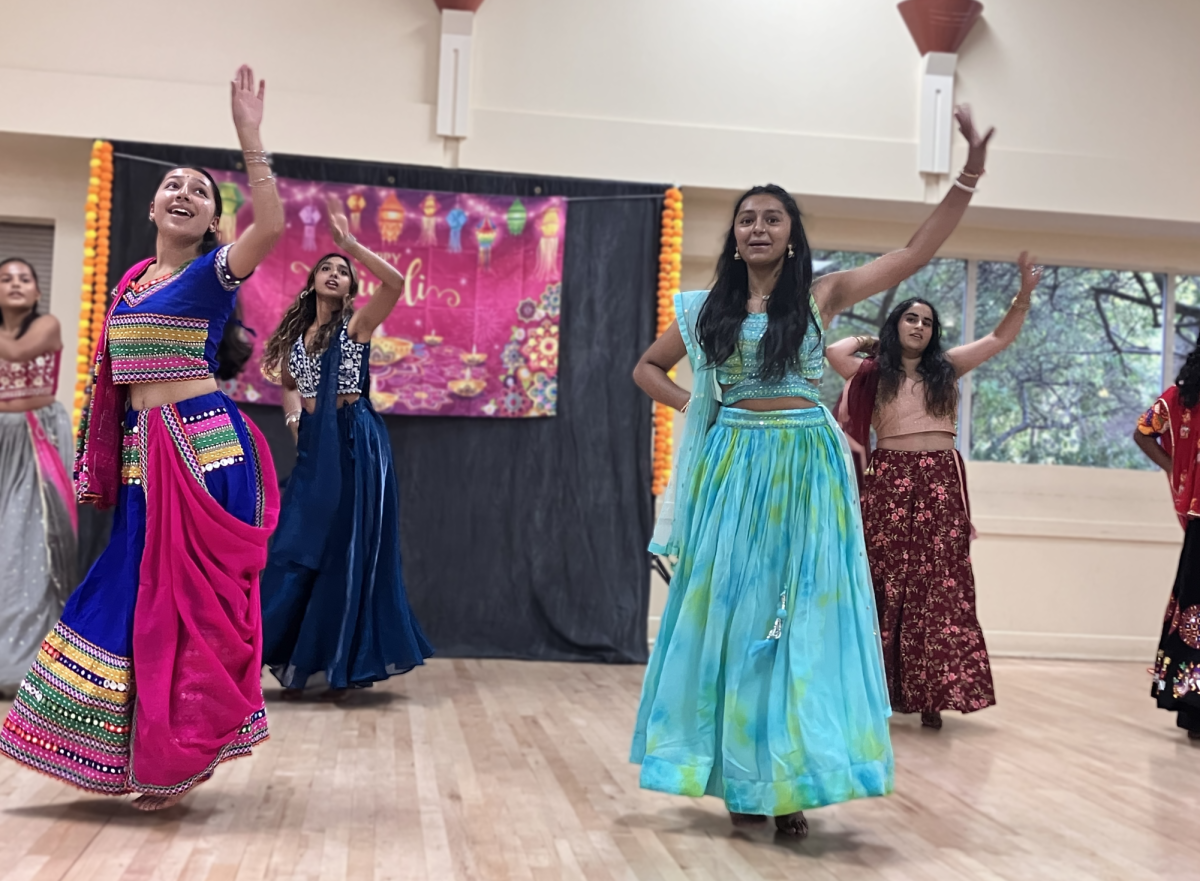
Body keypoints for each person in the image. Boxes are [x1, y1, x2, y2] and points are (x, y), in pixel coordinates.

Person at [631, 107, 994, 836]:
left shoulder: (823, 296)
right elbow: (645, 368)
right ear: (733, 235)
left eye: (771, 218)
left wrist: (970, 170)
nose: (757, 227)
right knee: (734, 618)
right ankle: (738, 772)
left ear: (791, 233)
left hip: (808, 467)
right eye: (745, 219)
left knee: (802, 621)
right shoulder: (705, 309)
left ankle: (792, 781)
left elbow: (917, 250)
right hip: (736, 469)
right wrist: (706, 405)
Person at [0, 66, 284, 811]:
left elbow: (275, 228)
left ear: (212, 220)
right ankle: (138, 753)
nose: (184, 193)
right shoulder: (131, 284)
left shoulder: (213, 273)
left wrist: (248, 136)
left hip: (199, 453)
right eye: (174, 185)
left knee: (180, 603)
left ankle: (177, 755)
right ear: (154, 206)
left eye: (200, 190)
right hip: (141, 455)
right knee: (129, 593)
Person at [826, 253, 1041, 730]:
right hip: (889, 480)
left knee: (939, 587)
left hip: (940, 481)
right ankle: (879, 690)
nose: (919, 326)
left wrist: (1023, 293)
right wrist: (871, 337)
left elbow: (999, 338)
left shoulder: (946, 367)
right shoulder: (873, 372)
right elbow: (836, 352)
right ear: (897, 325)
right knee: (887, 582)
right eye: (910, 318)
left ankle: (932, 694)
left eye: (926, 321)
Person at [258, 196, 432, 701]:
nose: (335, 273)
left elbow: (396, 284)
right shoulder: (295, 339)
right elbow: (290, 381)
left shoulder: (354, 327)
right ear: (312, 282)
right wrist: (294, 419)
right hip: (317, 447)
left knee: (347, 547)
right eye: (327, 268)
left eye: (343, 271)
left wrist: (350, 245)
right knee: (300, 542)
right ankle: (293, 649)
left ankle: (343, 661)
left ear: (352, 286)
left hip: (356, 441)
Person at [0, 258, 76, 696]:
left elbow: (15, 353)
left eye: (23, 279)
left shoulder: (46, 325)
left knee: (25, 546)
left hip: (35, 439)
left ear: (35, 293)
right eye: (6, 279)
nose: (15, 285)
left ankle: (24, 662)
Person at [1133, 342, 1200, 740]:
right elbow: (1144, 433)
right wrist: (1178, 468)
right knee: (1195, 612)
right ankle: (1194, 709)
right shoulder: (1182, 398)